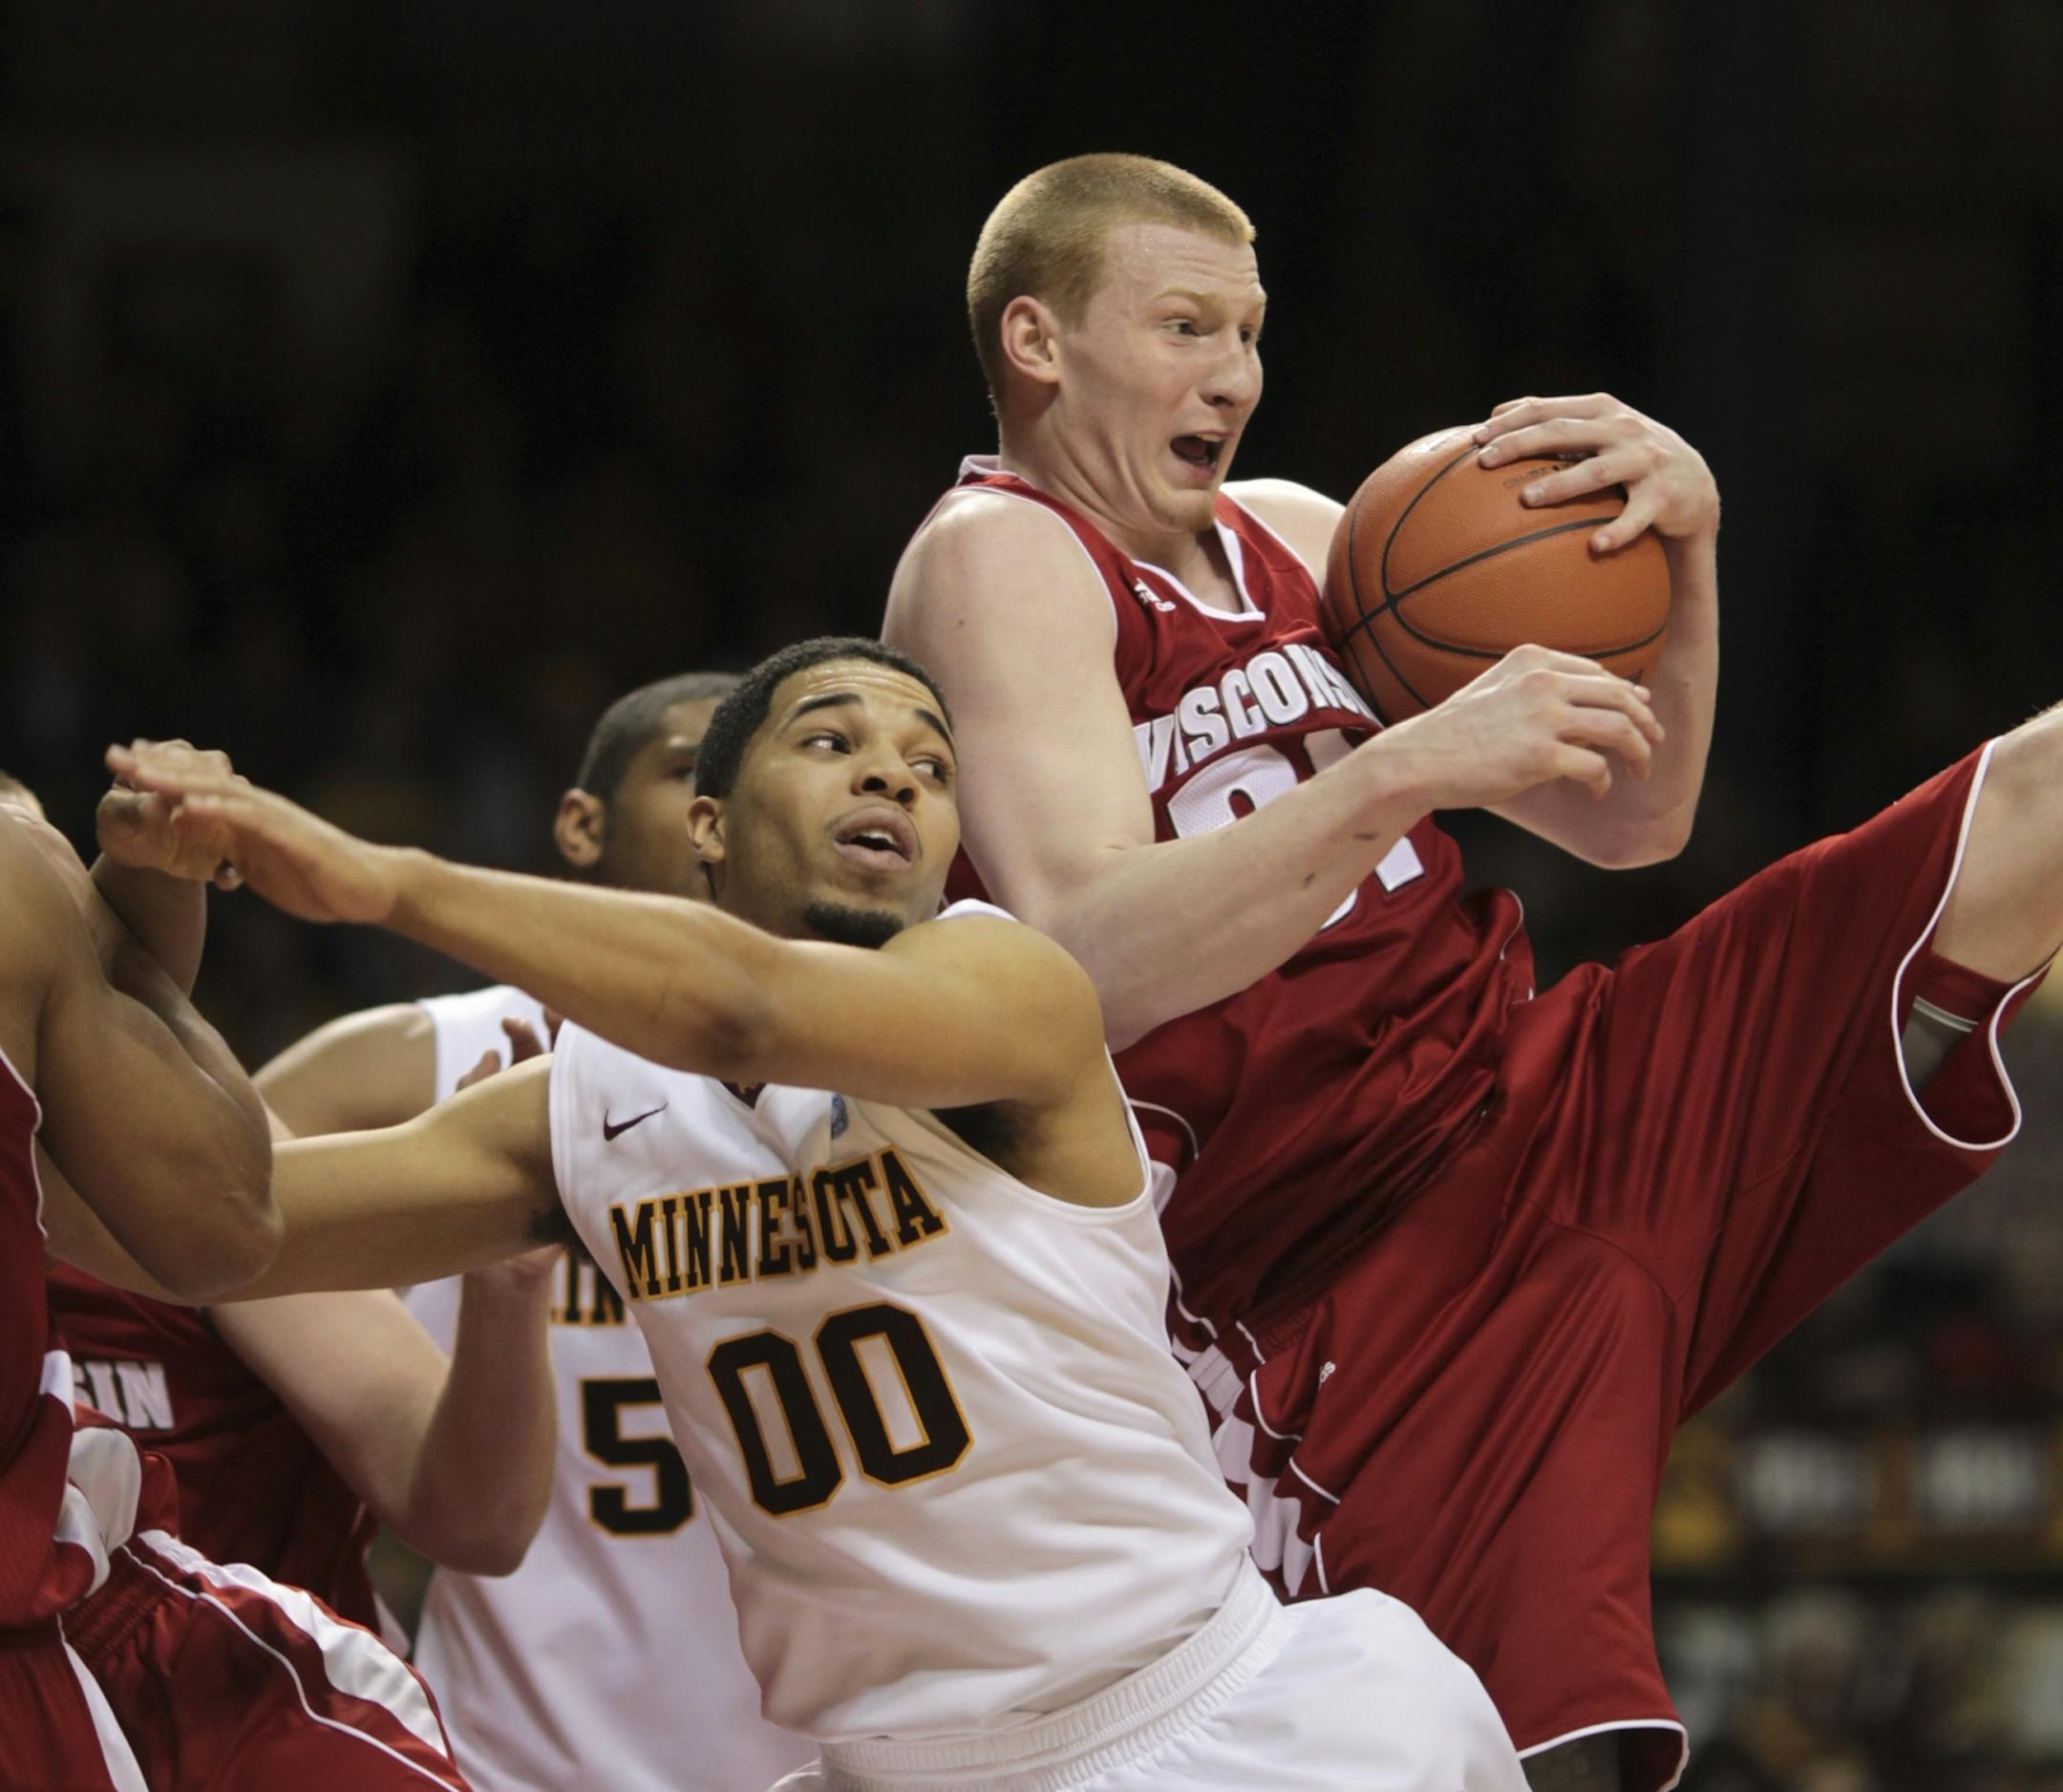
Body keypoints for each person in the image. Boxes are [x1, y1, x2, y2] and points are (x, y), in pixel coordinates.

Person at [882, 153, 2062, 1792]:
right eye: (1182, 326)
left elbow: (1639, 822)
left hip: (1541, 1083)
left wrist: (1689, 551)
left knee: (2028, 804)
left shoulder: (1306, 534)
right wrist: (1398, 766)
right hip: (1324, 1250)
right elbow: (1089, 953)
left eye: (1249, 330)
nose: (1232, 372)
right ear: (1037, 342)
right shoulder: (996, 558)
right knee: (1520, 1748)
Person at [82, 639, 1528, 1792]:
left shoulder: (1008, 990)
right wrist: (136, 933)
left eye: (928, 763)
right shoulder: (590, 1105)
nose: (891, 778)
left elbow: (740, 1005)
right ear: (705, 826)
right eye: (832, 741)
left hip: (1201, 1731)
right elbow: (230, 1222)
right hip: (879, 1767)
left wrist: (381, 880)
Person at [255, 670, 813, 1792]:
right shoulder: (416, 1065)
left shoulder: (877, 1070)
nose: (723, 810)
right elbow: (184, 1238)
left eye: (755, 783)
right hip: (511, 1757)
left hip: (830, 1749)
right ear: (581, 825)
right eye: (686, 769)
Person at [2, 772, 468, 1791]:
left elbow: (469, 1503)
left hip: (184, 1680)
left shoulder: (118, 1193)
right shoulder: (142, 1193)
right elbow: (230, 1212)